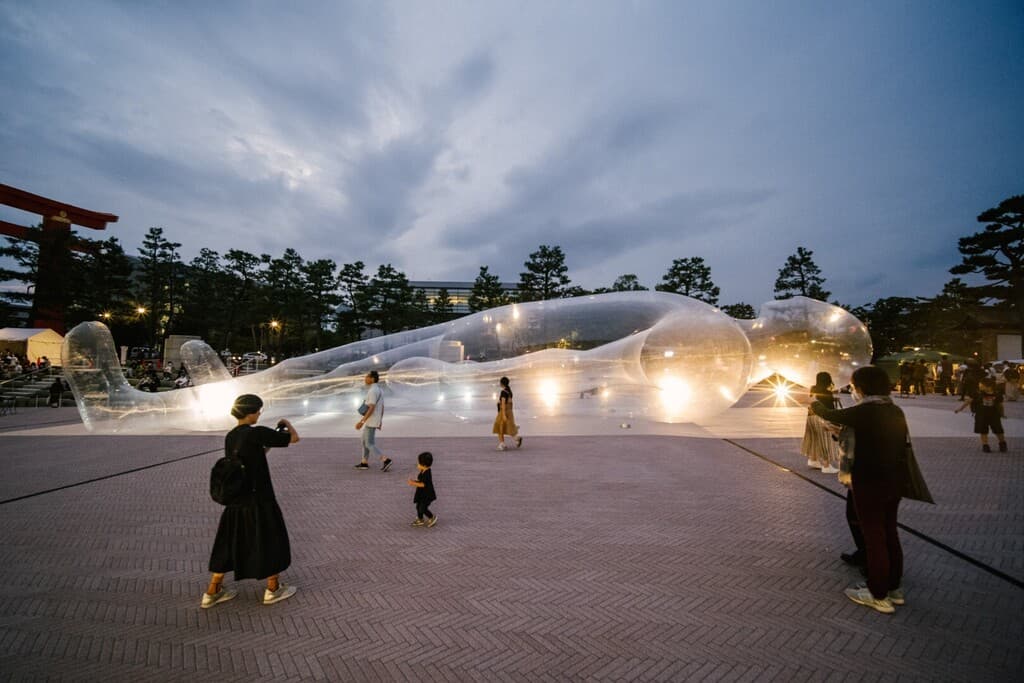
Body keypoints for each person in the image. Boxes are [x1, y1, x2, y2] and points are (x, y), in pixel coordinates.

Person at [811, 366, 909, 614]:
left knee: (874, 536)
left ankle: (877, 594)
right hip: (893, 481)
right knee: (889, 533)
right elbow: (871, 437)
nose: (853, 390)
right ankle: (894, 589)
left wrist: (811, 401)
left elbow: (826, 413)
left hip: (869, 481)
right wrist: (839, 433)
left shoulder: (866, 410)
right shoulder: (893, 410)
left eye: (853, 386)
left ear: (863, 387)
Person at [202, 394, 300, 608]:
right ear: (251, 412)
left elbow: (250, 455)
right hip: (260, 500)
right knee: (269, 539)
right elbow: (294, 439)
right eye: (258, 411)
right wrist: (287, 424)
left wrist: (267, 446)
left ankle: (212, 591)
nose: (259, 415)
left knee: (228, 543)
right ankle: (273, 588)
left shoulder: (231, 436)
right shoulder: (257, 433)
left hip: (236, 501)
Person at [801, 372, 841, 473]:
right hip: (821, 418)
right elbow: (830, 409)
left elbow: (818, 400)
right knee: (825, 440)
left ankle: (813, 460)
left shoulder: (813, 389)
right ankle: (826, 466)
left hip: (811, 417)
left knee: (814, 439)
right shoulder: (827, 392)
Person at [955, 377, 1008, 452]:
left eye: (981, 385)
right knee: (983, 431)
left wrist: (1002, 414)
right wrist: (960, 409)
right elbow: (968, 401)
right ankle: (985, 445)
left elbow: (1000, 405)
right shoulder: (977, 393)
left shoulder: (997, 394)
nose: (980, 386)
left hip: (994, 415)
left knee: (998, 430)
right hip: (981, 415)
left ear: (988, 386)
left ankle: (1002, 443)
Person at [354, 370, 392, 471]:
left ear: (372, 379)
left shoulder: (373, 391)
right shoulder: (379, 390)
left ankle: (385, 460)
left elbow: (371, 407)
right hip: (374, 420)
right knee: (364, 441)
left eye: (367, 376)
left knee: (369, 444)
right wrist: (380, 421)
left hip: (371, 421)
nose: (365, 378)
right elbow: (382, 406)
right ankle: (364, 462)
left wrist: (361, 422)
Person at [407, 451, 438, 527]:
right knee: (418, 506)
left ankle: (432, 517)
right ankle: (420, 519)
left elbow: (423, 484)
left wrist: (413, 483)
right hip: (422, 494)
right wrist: (414, 481)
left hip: (427, 495)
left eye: (418, 463)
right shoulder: (423, 471)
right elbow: (420, 481)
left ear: (423, 465)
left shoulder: (427, 473)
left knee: (422, 508)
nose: (417, 464)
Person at [493, 376, 522, 451]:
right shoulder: (509, 391)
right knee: (508, 427)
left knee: (499, 427)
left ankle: (502, 444)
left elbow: (503, 403)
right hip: (509, 411)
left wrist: (503, 414)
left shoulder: (503, 392)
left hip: (504, 411)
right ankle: (517, 438)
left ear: (502, 383)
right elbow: (510, 402)